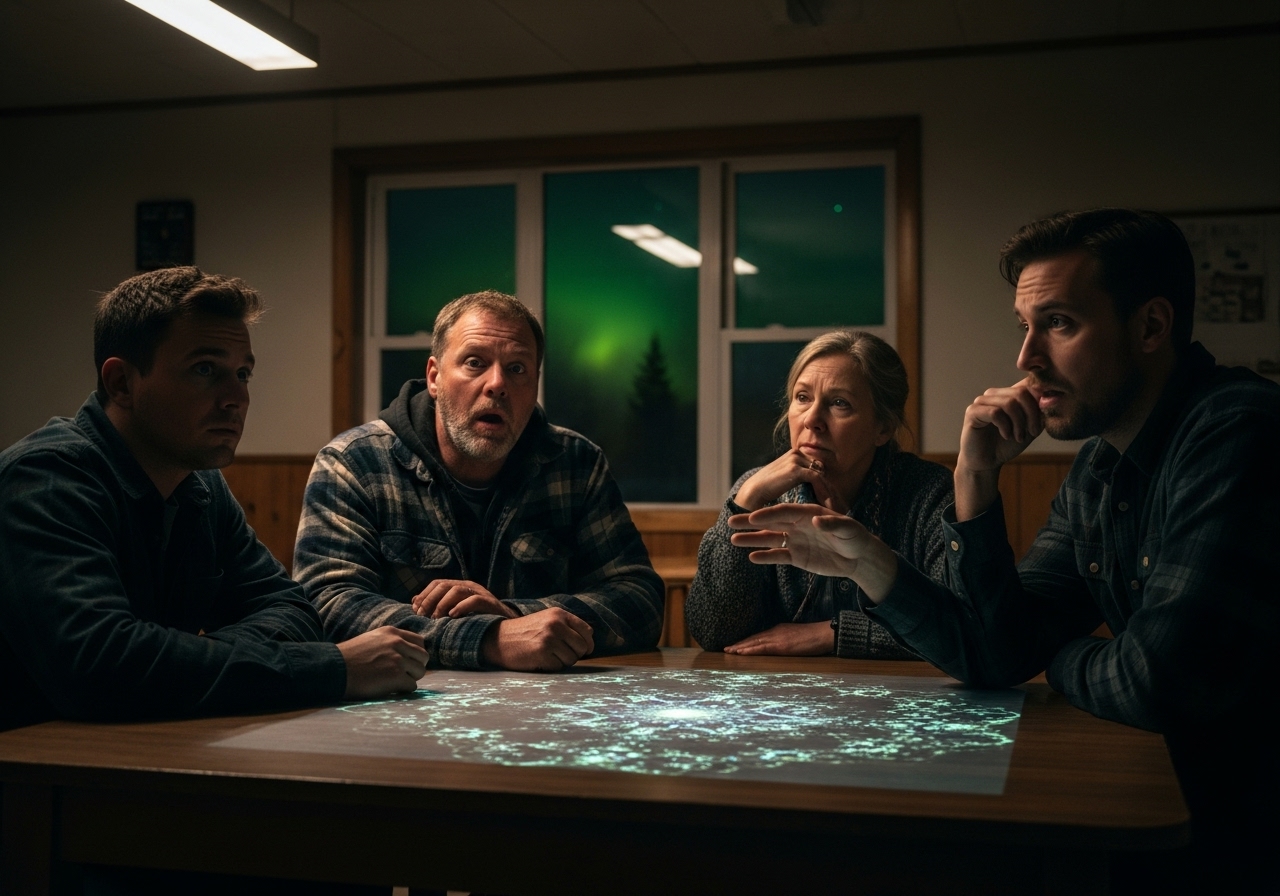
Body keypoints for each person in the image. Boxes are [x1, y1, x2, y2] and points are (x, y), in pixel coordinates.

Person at [728, 209, 1279, 890]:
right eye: (1026, 327)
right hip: (1172, 815)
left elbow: (1153, 684)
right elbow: (995, 656)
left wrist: (1052, 655)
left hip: (1240, 841)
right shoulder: (1100, 466)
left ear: (1151, 327)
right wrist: (969, 485)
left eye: (1060, 324)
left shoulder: (1239, 429)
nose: (1027, 359)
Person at [0, 266, 426, 733]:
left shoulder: (199, 484)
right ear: (121, 382)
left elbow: (293, 612)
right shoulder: (45, 479)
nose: (236, 397)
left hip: (132, 755)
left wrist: (183, 660)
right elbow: (100, 666)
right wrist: (333, 668)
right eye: (205, 370)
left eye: (242, 373)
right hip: (32, 775)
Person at [294, 290, 664, 672]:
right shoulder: (355, 462)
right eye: (475, 363)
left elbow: (639, 601)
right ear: (434, 377)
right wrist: (489, 639)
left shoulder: (576, 464)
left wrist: (513, 613)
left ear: (535, 383)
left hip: (543, 714)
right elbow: (326, 605)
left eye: (518, 368)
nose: (497, 384)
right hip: (402, 711)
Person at [686, 330, 953, 658]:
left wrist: (834, 633)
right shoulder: (761, 492)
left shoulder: (927, 494)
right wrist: (744, 501)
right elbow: (712, 631)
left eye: (839, 403)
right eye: (802, 398)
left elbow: (959, 629)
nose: (812, 419)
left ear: (882, 428)